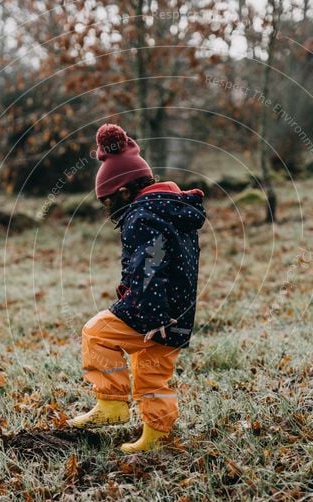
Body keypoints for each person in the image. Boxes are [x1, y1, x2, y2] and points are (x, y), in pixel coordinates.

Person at [67, 123, 206, 453]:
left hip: (151, 309)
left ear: (124, 192)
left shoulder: (142, 216)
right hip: (178, 314)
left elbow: (150, 268)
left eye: (108, 201)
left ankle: (112, 405)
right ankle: (156, 437)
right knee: (151, 373)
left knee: (96, 334)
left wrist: (151, 315)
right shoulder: (171, 212)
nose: (108, 208)